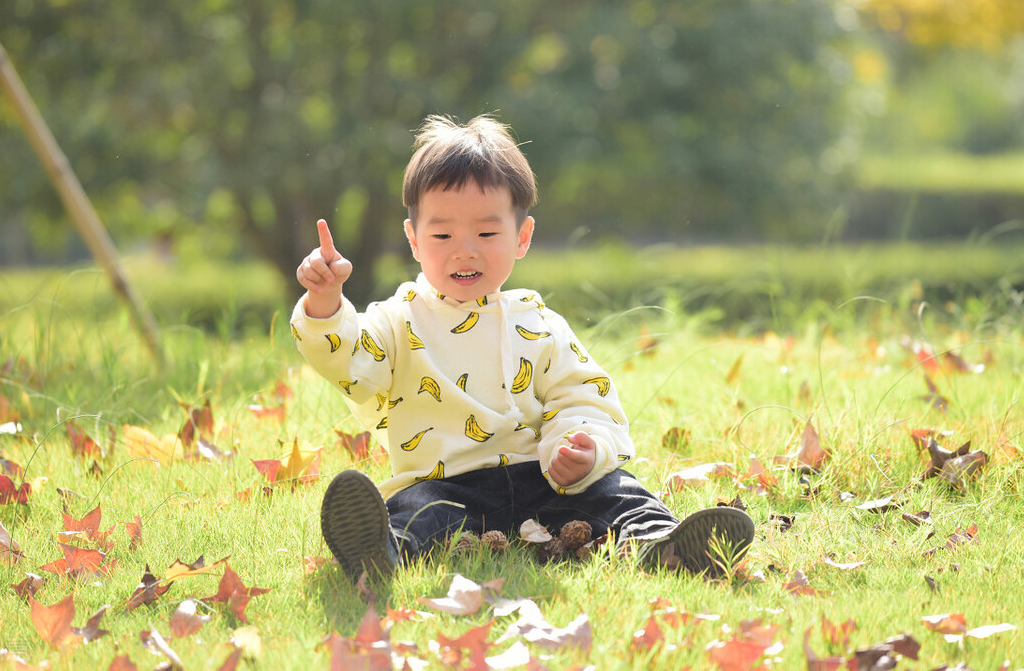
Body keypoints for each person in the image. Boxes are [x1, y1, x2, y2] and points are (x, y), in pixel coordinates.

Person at [290, 114, 753, 581]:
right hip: (447, 484)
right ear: (414, 240)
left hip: (544, 480)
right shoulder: (397, 320)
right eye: (442, 235)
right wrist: (326, 301)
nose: (465, 250)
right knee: (417, 511)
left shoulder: (539, 324)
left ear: (522, 238)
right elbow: (350, 360)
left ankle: (663, 543)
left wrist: (581, 448)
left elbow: (581, 395)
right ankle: (383, 550)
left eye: (487, 234)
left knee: (616, 492)